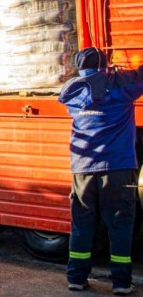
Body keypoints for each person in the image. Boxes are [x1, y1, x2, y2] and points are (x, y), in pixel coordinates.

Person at [58, 47, 143, 295]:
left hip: (83, 168)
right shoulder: (118, 85)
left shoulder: (71, 90)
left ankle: (76, 277)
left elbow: (90, 86)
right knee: (119, 224)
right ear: (105, 65)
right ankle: (121, 283)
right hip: (117, 166)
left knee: (82, 224)